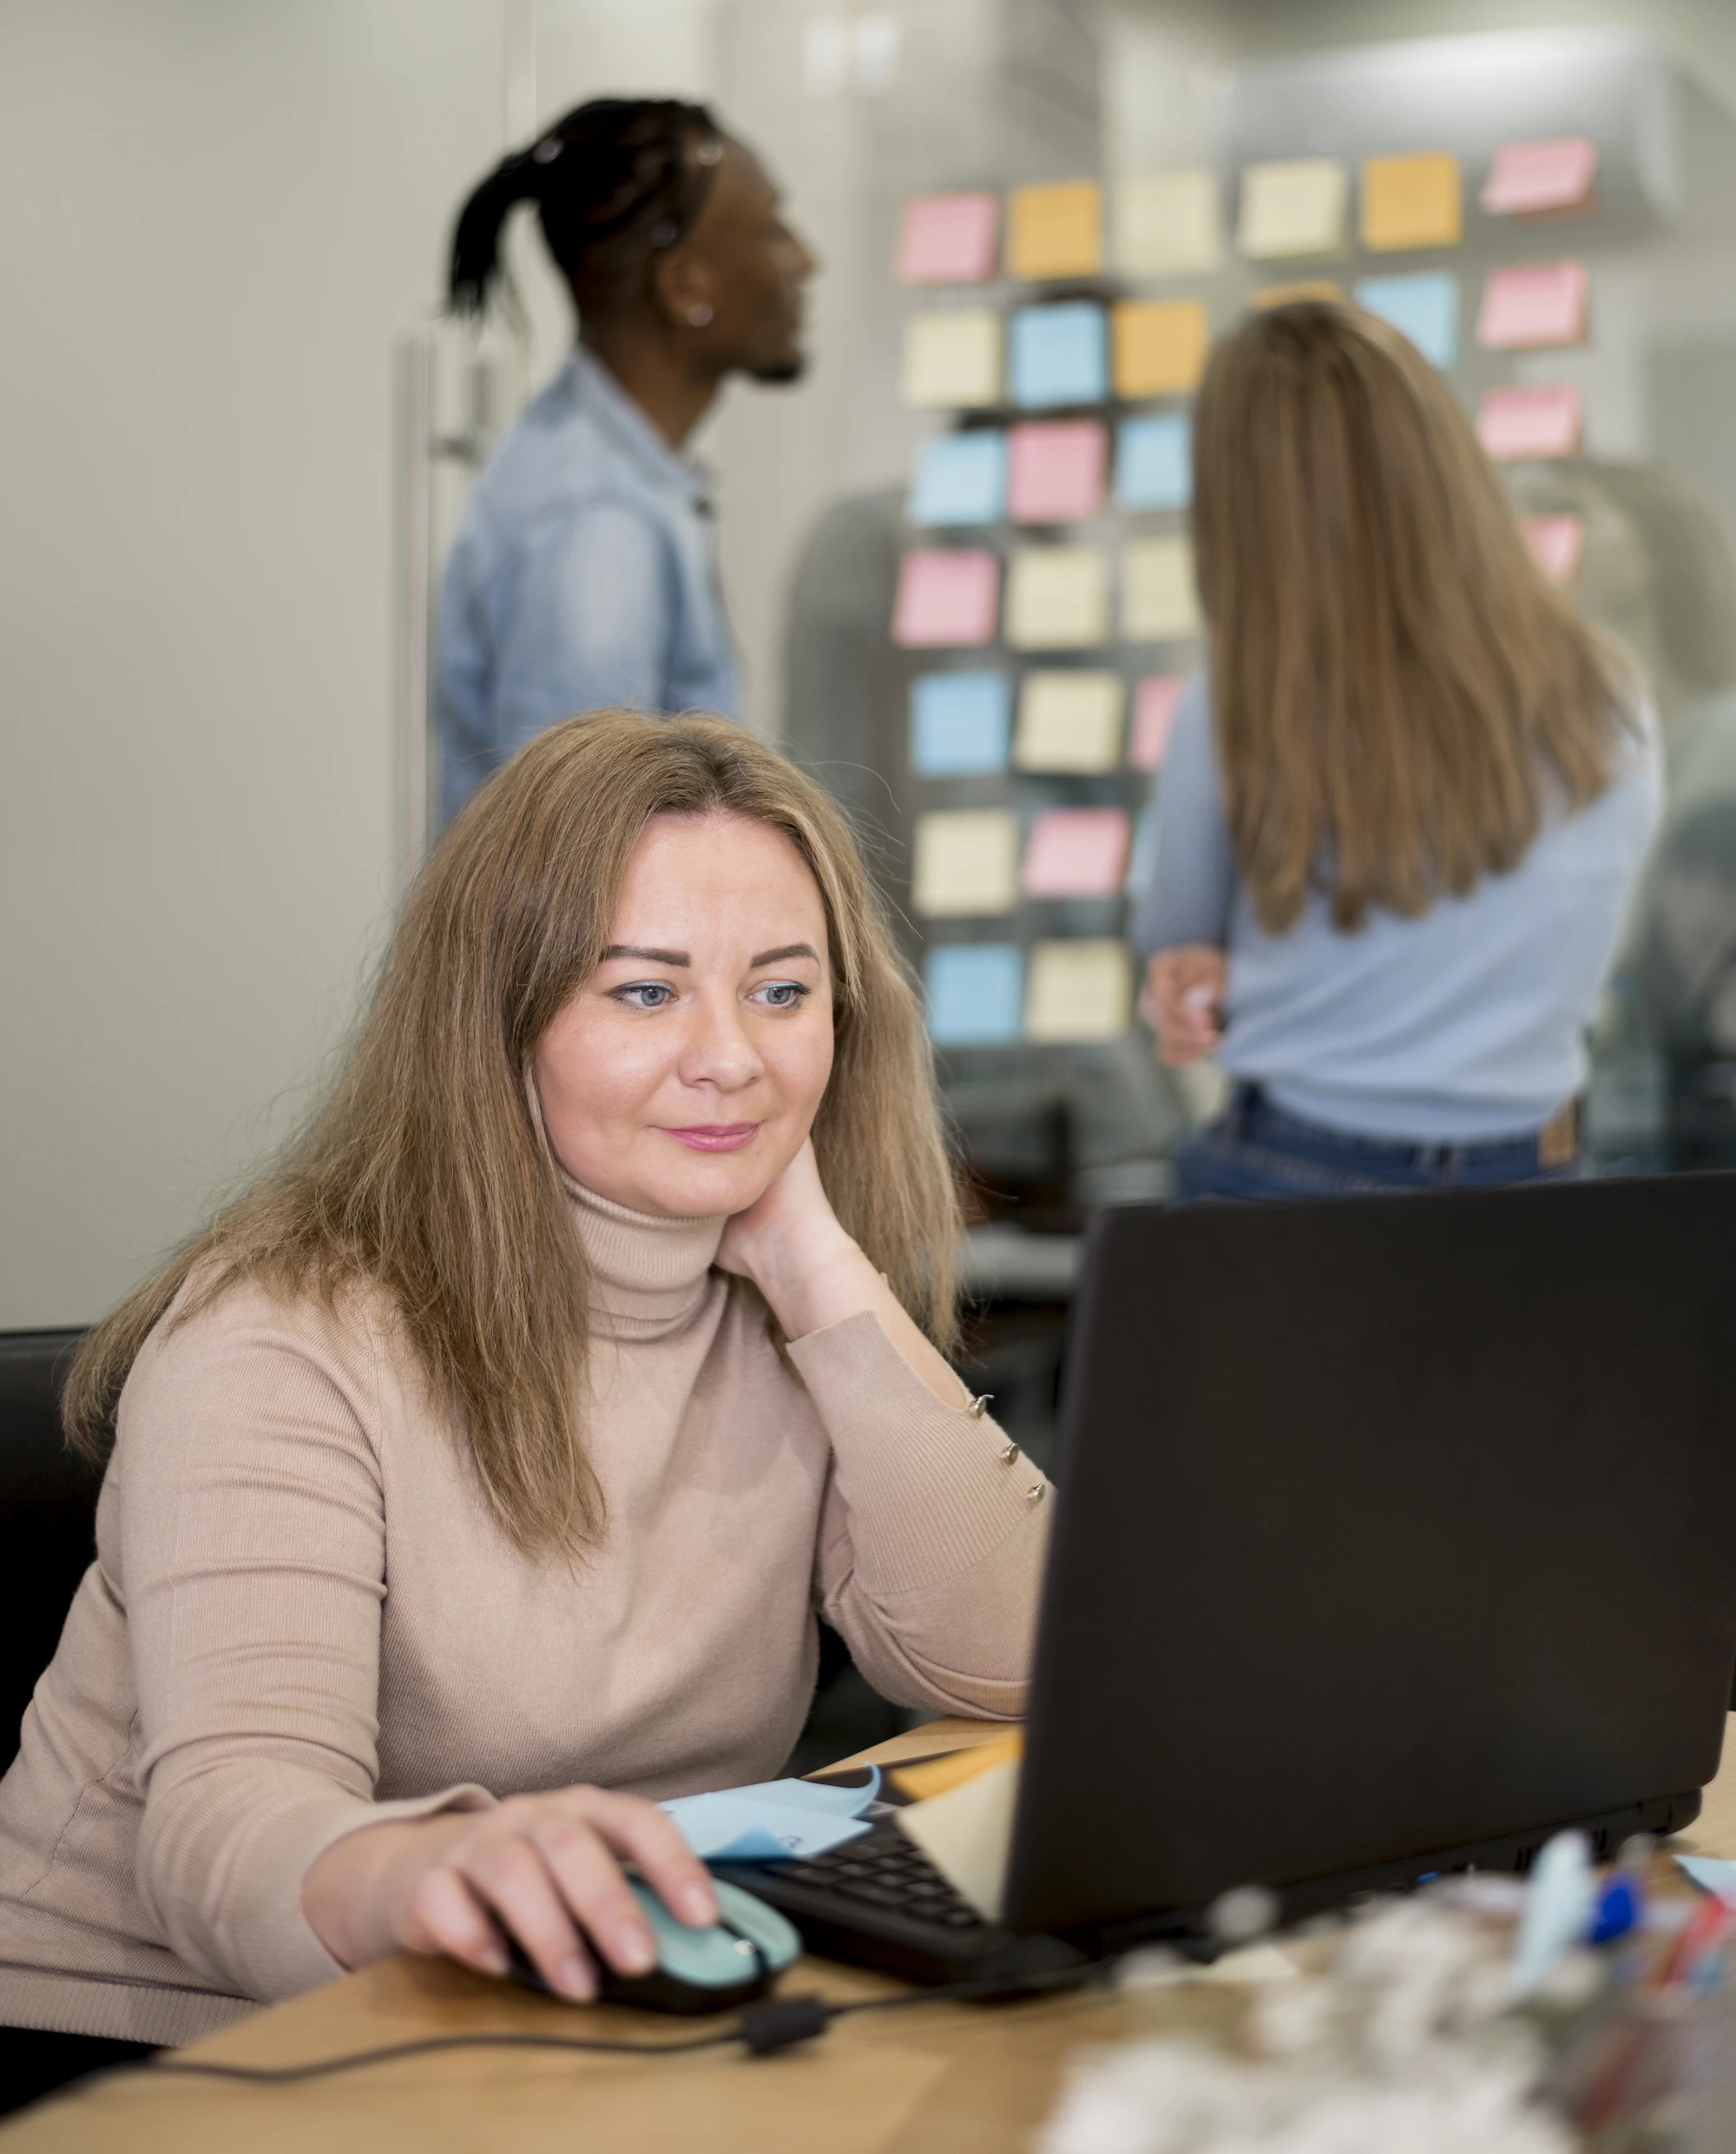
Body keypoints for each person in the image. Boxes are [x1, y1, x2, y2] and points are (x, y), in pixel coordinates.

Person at [0, 714, 1048, 2111]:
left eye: (783, 993)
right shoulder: (278, 1333)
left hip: (587, 2005)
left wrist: (816, 1265)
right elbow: (225, 1827)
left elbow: (1018, 1659)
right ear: (496, 1017)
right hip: (170, 2047)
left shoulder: (789, 1310)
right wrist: (429, 1871)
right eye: (645, 992)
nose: (732, 1057)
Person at [1134, 301, 1661, 1202]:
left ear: (1240, 505)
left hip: (1290, 1173)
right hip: (1537, 1178)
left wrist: (1197, 972)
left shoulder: (1233, 705)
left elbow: (1177, 952)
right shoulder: (1603, 692)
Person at [434, 100, 817, 820]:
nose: (805, 259)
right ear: (686, 288)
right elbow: (573, 874)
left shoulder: (608, 474)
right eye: (772, 229)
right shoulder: (597, 526)